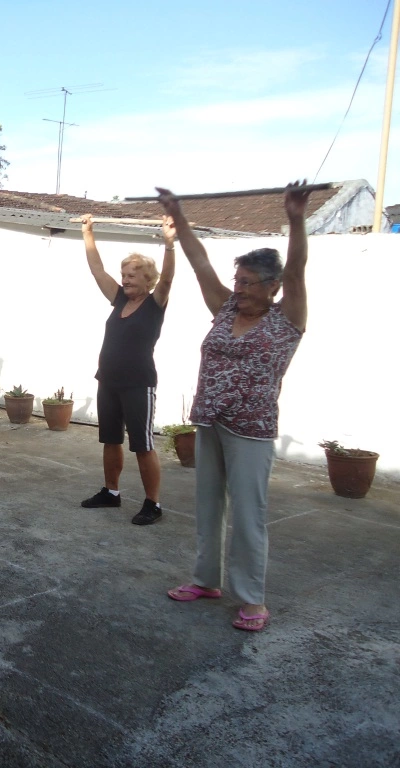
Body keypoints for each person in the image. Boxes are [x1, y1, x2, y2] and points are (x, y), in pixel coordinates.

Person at [162, 181, 312, 632]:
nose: (239, 288)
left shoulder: (287, 320)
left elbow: (298, 270)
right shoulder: (227, 310)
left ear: (273, 286)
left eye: (247, 282)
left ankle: (252, 599)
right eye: (237, 281)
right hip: (209, 422)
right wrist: (179, 217)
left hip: (251, 430)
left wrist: (295, 219)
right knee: (208, 507)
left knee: (249, 516)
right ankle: (205, 580)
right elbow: (199, 263)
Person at [79, 213, 176, 526]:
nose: (126, 279)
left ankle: (153, 503)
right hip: (108, 381)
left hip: (138, 384)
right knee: (110, 440)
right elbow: (97, 270)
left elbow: (168, 279)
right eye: (124, 274)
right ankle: (111, 492)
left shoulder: (155, 304)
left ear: (148, 280)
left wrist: (169, 244)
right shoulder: (119, 299)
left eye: (132, 275)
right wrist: (88, 233)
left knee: (143, 445)